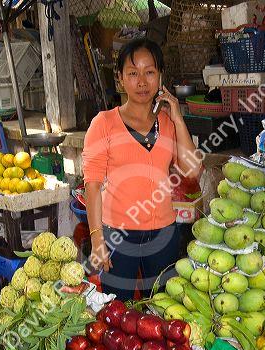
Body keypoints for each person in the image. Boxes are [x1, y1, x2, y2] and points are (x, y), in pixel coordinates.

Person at [82, 38, 200, 300]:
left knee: (159, 311)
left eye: (150, 72)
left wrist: (178, 118)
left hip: (164, 233)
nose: (142, 82)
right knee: (117, 311)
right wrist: (97, 239)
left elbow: (192, 173)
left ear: (160, 77)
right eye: (133, 73)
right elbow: (92, 185)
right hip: (117, 236)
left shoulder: (169, 124)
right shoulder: (104, 123)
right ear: (120, 79)